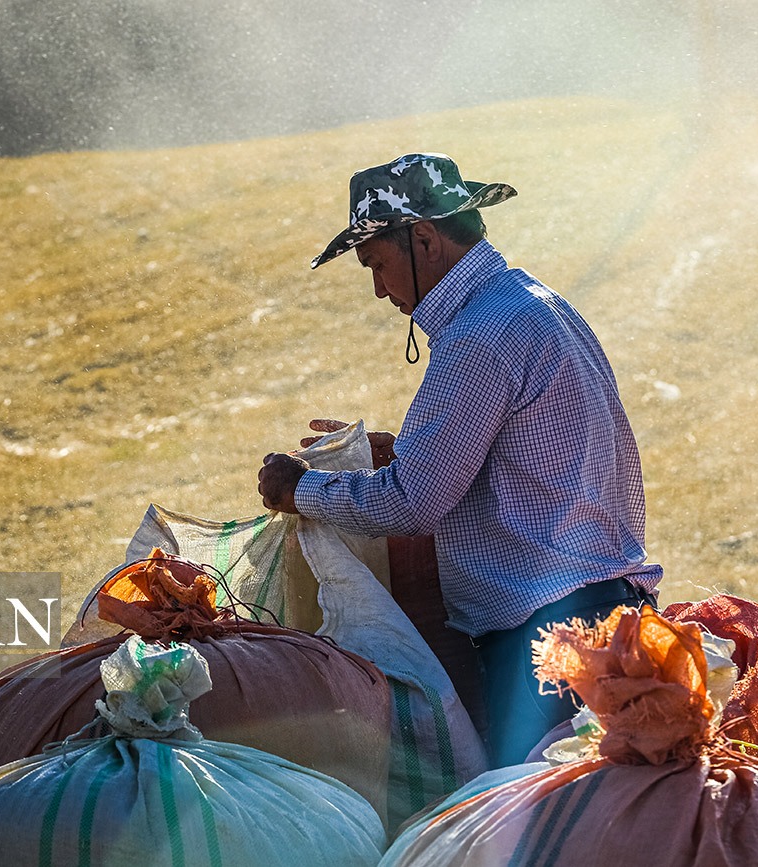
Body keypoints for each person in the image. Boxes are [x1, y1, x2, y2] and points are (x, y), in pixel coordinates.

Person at [257, 152, 661, 766]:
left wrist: (300, 489)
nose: (378, 289)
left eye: (378, 264)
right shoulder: (529, 302)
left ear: (423, 239)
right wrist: (403, 452)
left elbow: (411, 502)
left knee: (540, 812)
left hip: (551, 636)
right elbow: (507, 457)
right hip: (603, 613)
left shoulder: (478, 335)